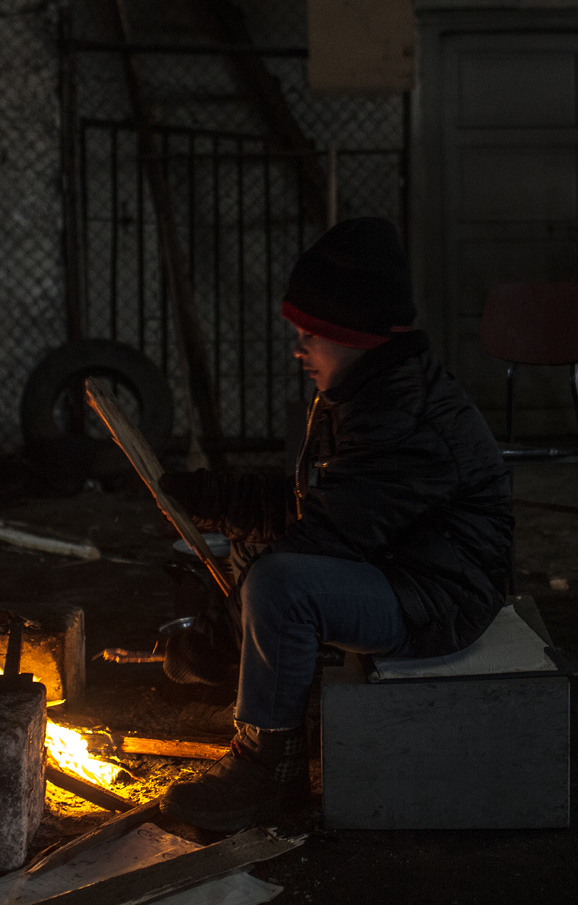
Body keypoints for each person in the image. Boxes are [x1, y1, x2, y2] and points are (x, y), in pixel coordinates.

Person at [157, 216, 513, 833]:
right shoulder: (367, 392)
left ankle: (269, 768)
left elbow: (329, 537)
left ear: (353, 337)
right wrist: (216, 500)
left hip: (439, 597)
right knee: (259, 557)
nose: (298, 351)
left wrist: (215, 642)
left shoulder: (402, 416)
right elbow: (317, 506)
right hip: (402, 570)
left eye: (310, 336)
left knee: (281, 587)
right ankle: (274, 713)